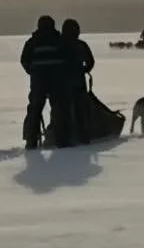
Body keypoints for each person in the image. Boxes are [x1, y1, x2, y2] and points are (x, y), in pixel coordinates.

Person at [19, 15, 68, 150]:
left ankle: (31, 141)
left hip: (38, 82)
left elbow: (24, 60)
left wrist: (32, 72)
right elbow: (67, 60)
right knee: (58, 110)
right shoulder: (59, 41)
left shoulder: (32, 42)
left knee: (34, 110)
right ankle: (62, 140)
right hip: (56, 82)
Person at [58, 18, 95, 147]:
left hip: (61, 84)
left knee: (63, 111)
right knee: (80, 111)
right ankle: (83, 136)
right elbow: (90, 62)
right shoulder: (81, 45)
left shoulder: (58, 44)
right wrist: (85, 70)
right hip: (79, 82)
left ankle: (64, 138)